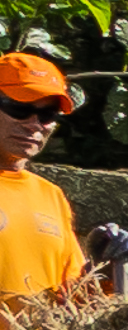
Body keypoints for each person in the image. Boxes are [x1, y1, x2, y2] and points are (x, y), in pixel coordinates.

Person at [0, 52, 84, 305]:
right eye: (19, 109)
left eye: (48, 115)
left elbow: (74, 298)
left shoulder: (51, 196)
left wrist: (110, 270)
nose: (34, 124)